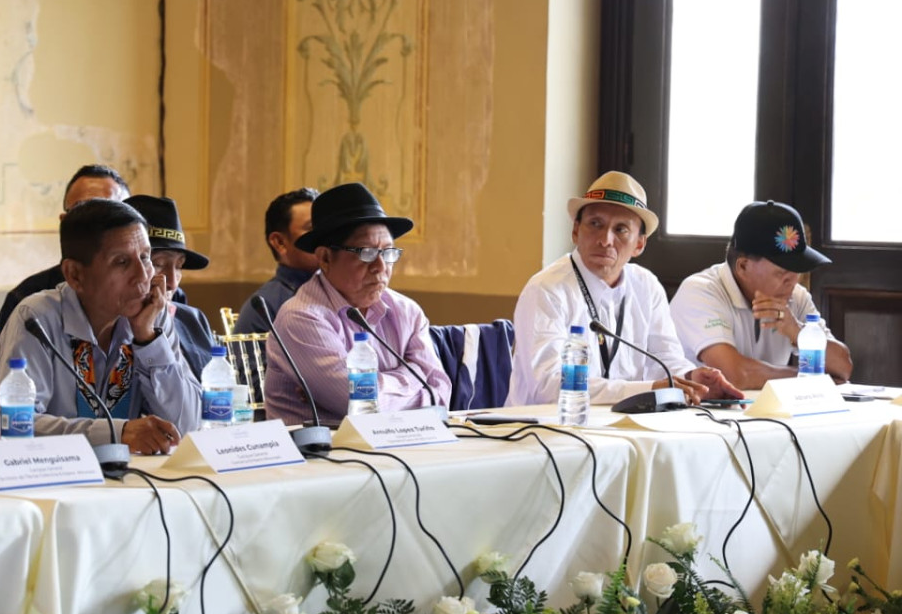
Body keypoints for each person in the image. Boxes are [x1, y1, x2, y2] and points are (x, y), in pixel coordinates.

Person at [508, 171, 741, 407]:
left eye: (620, 230)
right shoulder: (546, 290)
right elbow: (548, 387)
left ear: (639, 244)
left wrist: (692, 378)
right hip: (543, 425)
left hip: (620, 423)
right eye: (595, 224)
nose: (605, 240)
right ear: (576, 231)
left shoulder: (646, 286)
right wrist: (649, 390)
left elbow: (665, 358)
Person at [0, 199, 199, 454]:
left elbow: (187, 427)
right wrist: (116, 434)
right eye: (122, 262)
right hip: (53, 472)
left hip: (130, 473)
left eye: (145, 257)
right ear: (75, 275)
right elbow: (16, 426)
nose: (144, 276)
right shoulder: (37, 319)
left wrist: (148, 341)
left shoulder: (152, 317)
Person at [263, 182, 451, 425]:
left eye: (388, 252)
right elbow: (357, 402)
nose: (381, 267)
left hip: (399, 440)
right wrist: (413, 380)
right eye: (366, 253)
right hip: (321, 448)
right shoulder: (301, 317)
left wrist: (379, 387)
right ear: (325, 258)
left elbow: (440, 392)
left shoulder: (406, 311)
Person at [670, 200, 853, 389]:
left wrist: (797, 332)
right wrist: (812, 378)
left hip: (765, 406)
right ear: (743, 266)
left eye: (797, 270)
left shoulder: (796, 296)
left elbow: (843, 367)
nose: (793, 281)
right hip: (699, 407)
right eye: (782, 272)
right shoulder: (700, 292)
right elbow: (734, 375)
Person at [0, 164, 131, 339]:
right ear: (64, 223)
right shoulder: (25, 300)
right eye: (84, 212)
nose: (97, 226)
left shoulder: (150, 297)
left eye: (113, 214)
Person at [123, 195, 215, 378]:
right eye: (158, 263)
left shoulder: (192, 319)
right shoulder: (109, 329)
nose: (172, 283)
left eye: (179, 266)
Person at [233, 187, 320, 334]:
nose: (325, 237)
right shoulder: (262, 309)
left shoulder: (344, 292)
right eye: (312, 228)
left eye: (327, 227)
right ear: (280, 242)